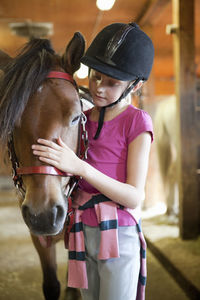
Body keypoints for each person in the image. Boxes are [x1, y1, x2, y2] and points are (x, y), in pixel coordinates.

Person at [32, 22, 154, 300]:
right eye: (95, 76)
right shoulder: (82, 118)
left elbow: (134, 196)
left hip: (119, 233)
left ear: (136, 85)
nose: (99, 88)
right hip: (82, 229)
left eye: (112, 83)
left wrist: (79, 166)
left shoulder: (137, 122)